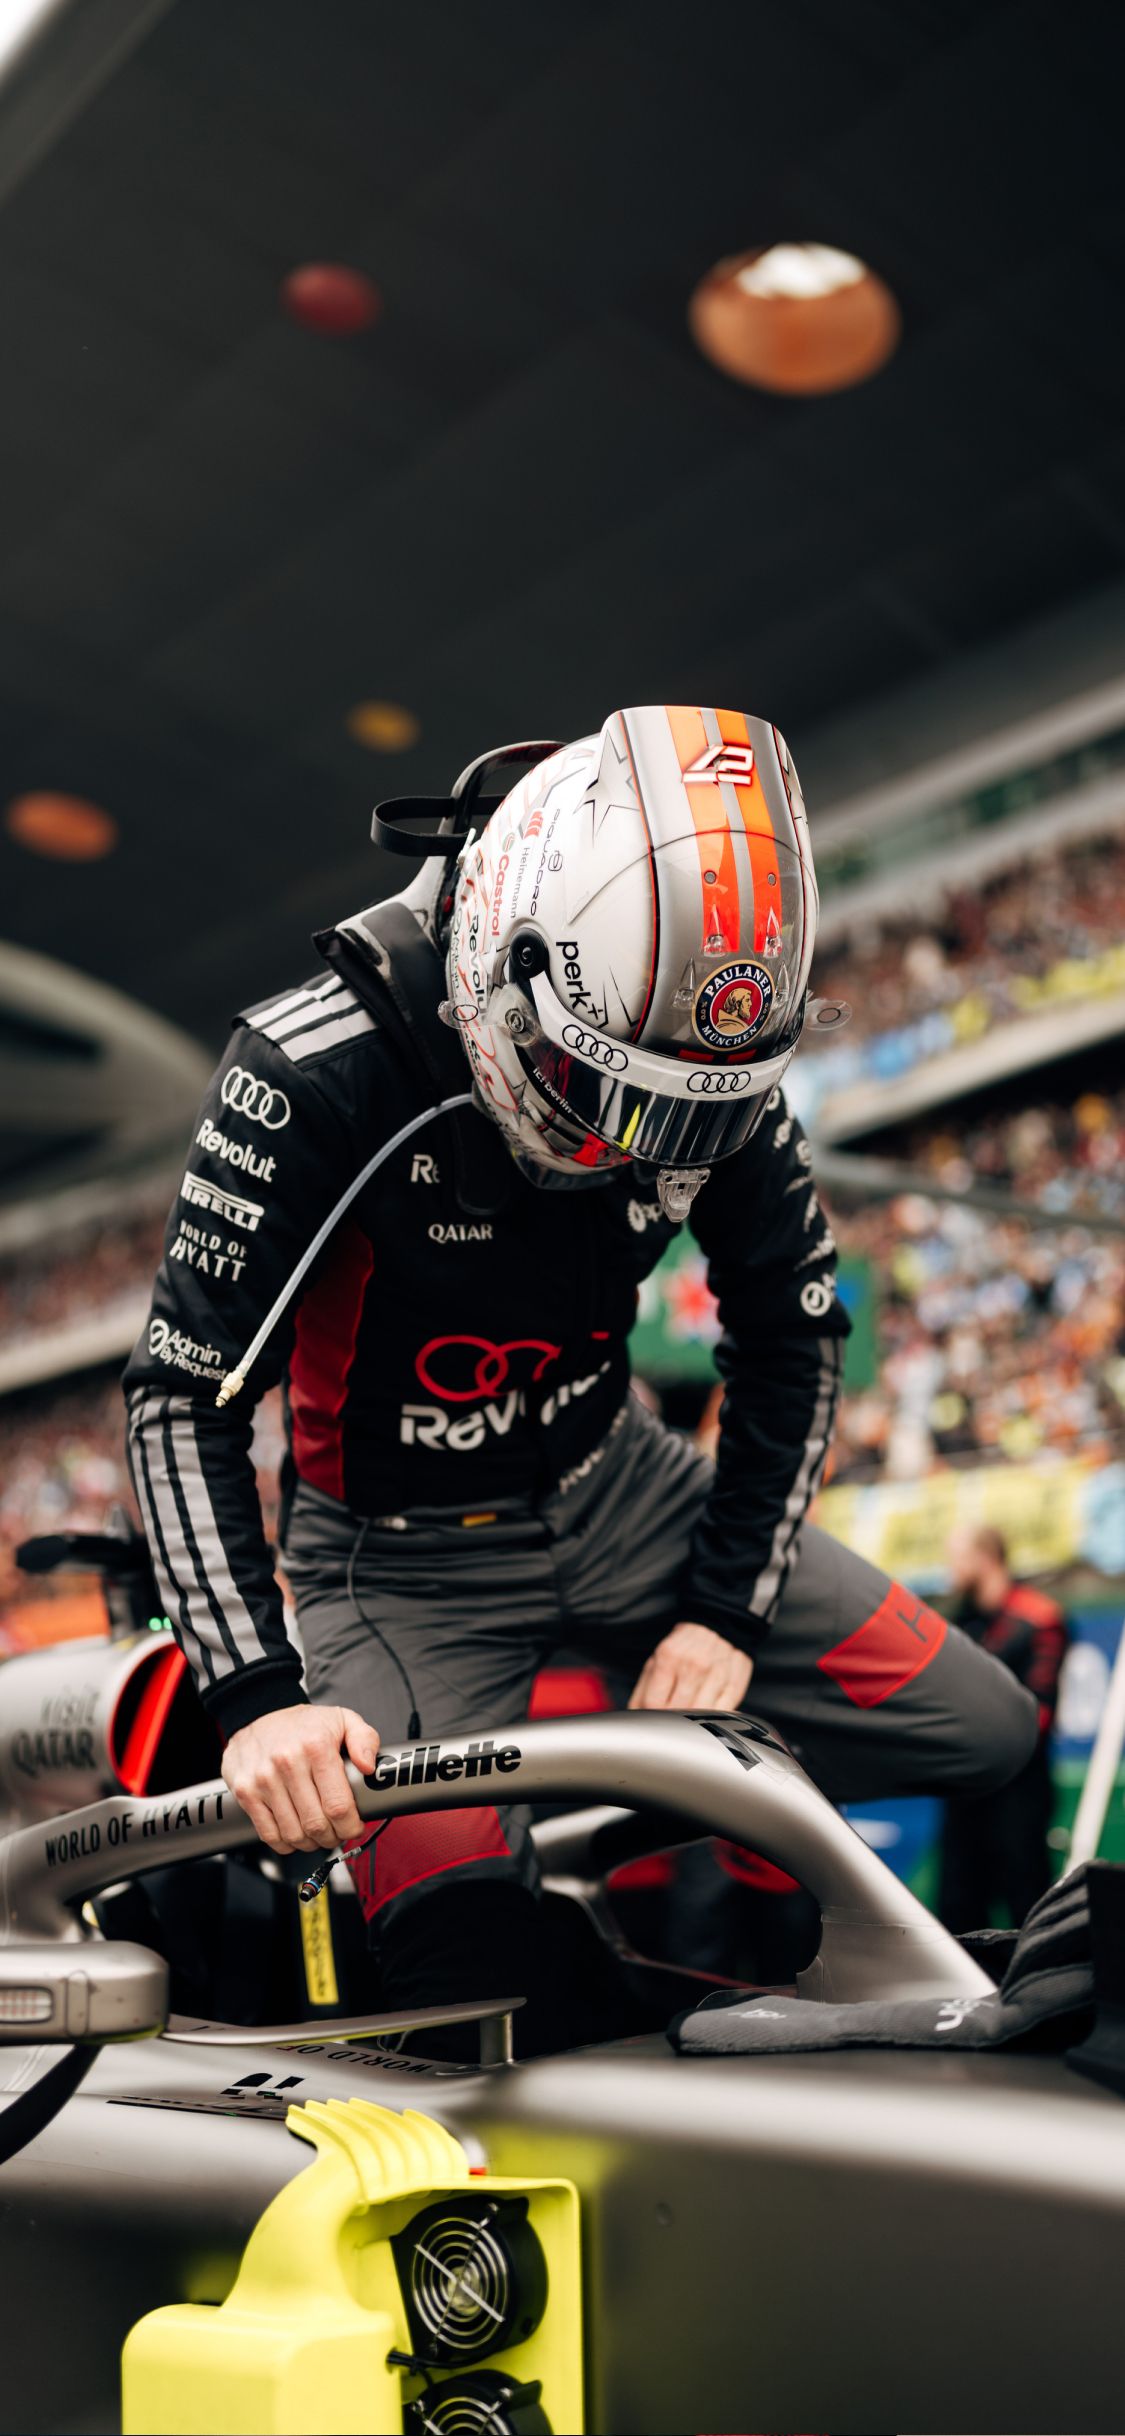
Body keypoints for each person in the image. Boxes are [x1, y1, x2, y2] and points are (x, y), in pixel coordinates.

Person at [123, 706, 1037, 2039]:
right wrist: (256, 1698)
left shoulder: (703, 1038)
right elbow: (179, 1392)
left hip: (623, 1488)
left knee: (987, 1730)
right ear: (503, 961)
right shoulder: (311, 1069)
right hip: (397, 1563)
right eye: (608, 1088)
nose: (636, 1143)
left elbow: (795, 1328)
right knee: (465, 1976)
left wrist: (724, 1615)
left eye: (679, 1109)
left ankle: (663, 1848)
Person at [938, 1524, 1068, 1933]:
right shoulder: (956, 1622)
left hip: (1017, 1790)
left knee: (1026, 1906)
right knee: (957, 1910)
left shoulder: (1038, 1617)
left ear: (984, 1558)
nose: (948, 1569)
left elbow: (1039, 1715)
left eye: (956, 1558)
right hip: (965, 1790)